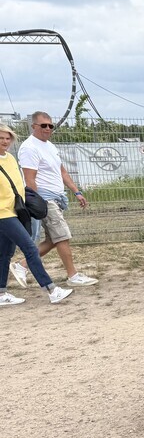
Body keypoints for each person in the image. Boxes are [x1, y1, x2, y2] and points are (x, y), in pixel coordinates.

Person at [8, 111, 98, 289]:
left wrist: (77, 192)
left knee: (53, 240)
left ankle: (21, 265)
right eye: (43, 125)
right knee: (62, 236)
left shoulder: (49, 146)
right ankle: (73, 275)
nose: (48, 128)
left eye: (51, 125)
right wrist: (36, 204)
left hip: (57, 197)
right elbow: (30, 179)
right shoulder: (29, 148)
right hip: (45, 199)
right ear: (34, 126)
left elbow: (62, 171)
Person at [0, 124, 73, 305]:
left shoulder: (10, 158)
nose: (5, 141)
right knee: (30, 249)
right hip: (3, 214)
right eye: (1, 138)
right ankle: (51, 289)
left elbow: (18, 182)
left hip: (15, 210)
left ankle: (1, 293)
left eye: (8, 138)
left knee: (5, 253)